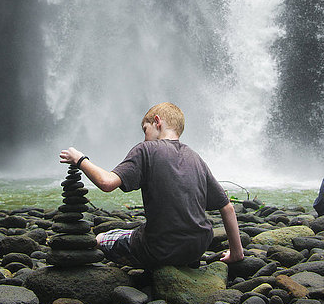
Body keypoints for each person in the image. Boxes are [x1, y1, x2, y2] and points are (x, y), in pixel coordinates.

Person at [60, 102, 244, 269]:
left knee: (101, 238)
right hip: (197, 247)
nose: (145, 137)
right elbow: (227, 207)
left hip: (159, 249)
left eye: (145, 129)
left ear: (157, 122)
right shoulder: (195, 157)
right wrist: (236, 253)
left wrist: (80, 160)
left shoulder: (146, 150)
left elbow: (106, 183)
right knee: (141, 230)